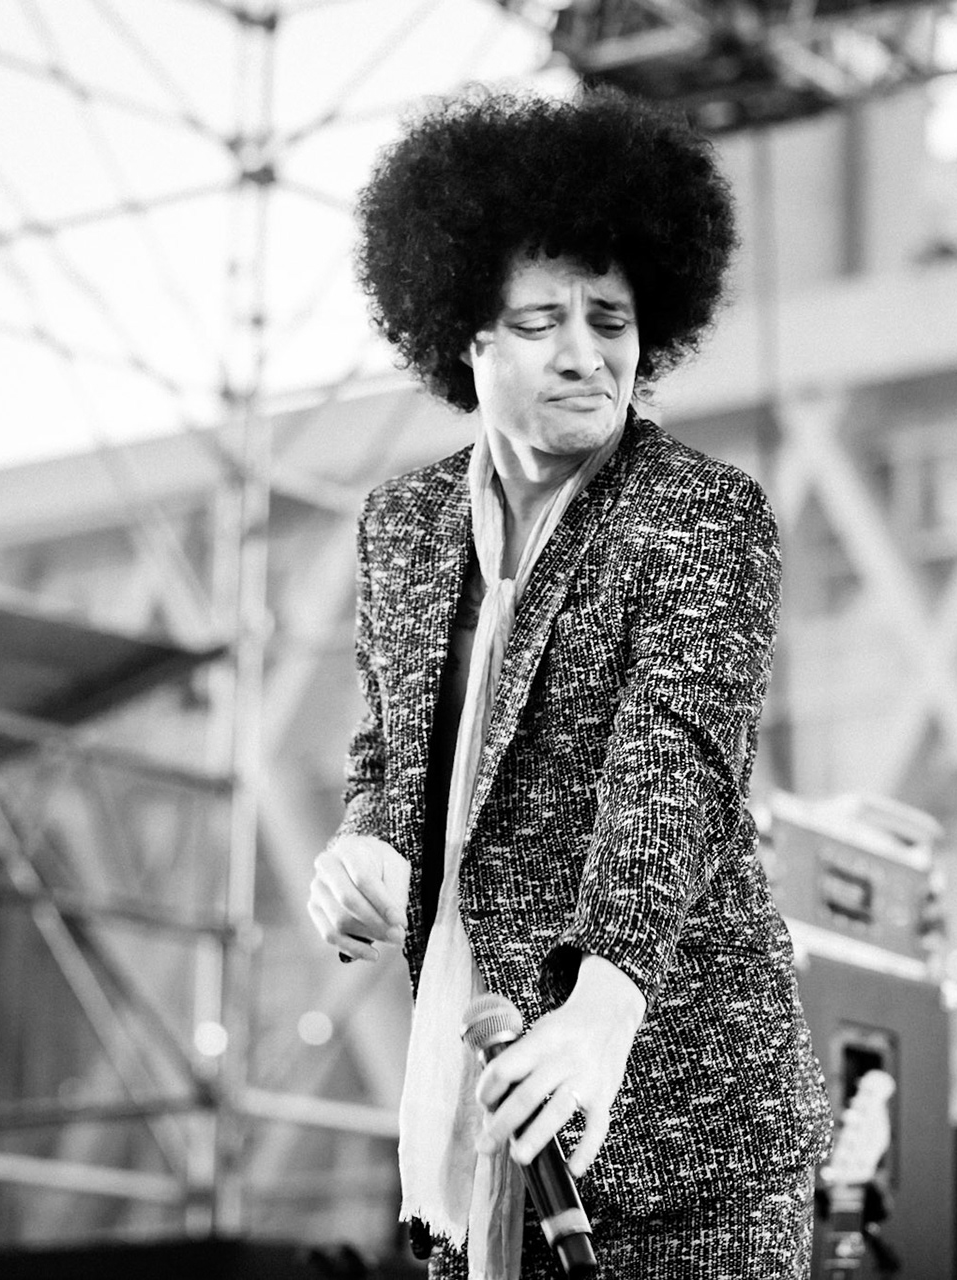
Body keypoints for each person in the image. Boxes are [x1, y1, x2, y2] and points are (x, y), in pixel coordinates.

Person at [306, 87, 831, 1279]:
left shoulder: (703, 515)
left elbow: (677, 764)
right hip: (476, 1117)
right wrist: (369, 845)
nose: (587, 353)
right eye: (543, 320)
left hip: (685, 1145)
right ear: (467, 338)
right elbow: (394, 752)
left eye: (610, 317)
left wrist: (604, 1006)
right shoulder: (401, 524)